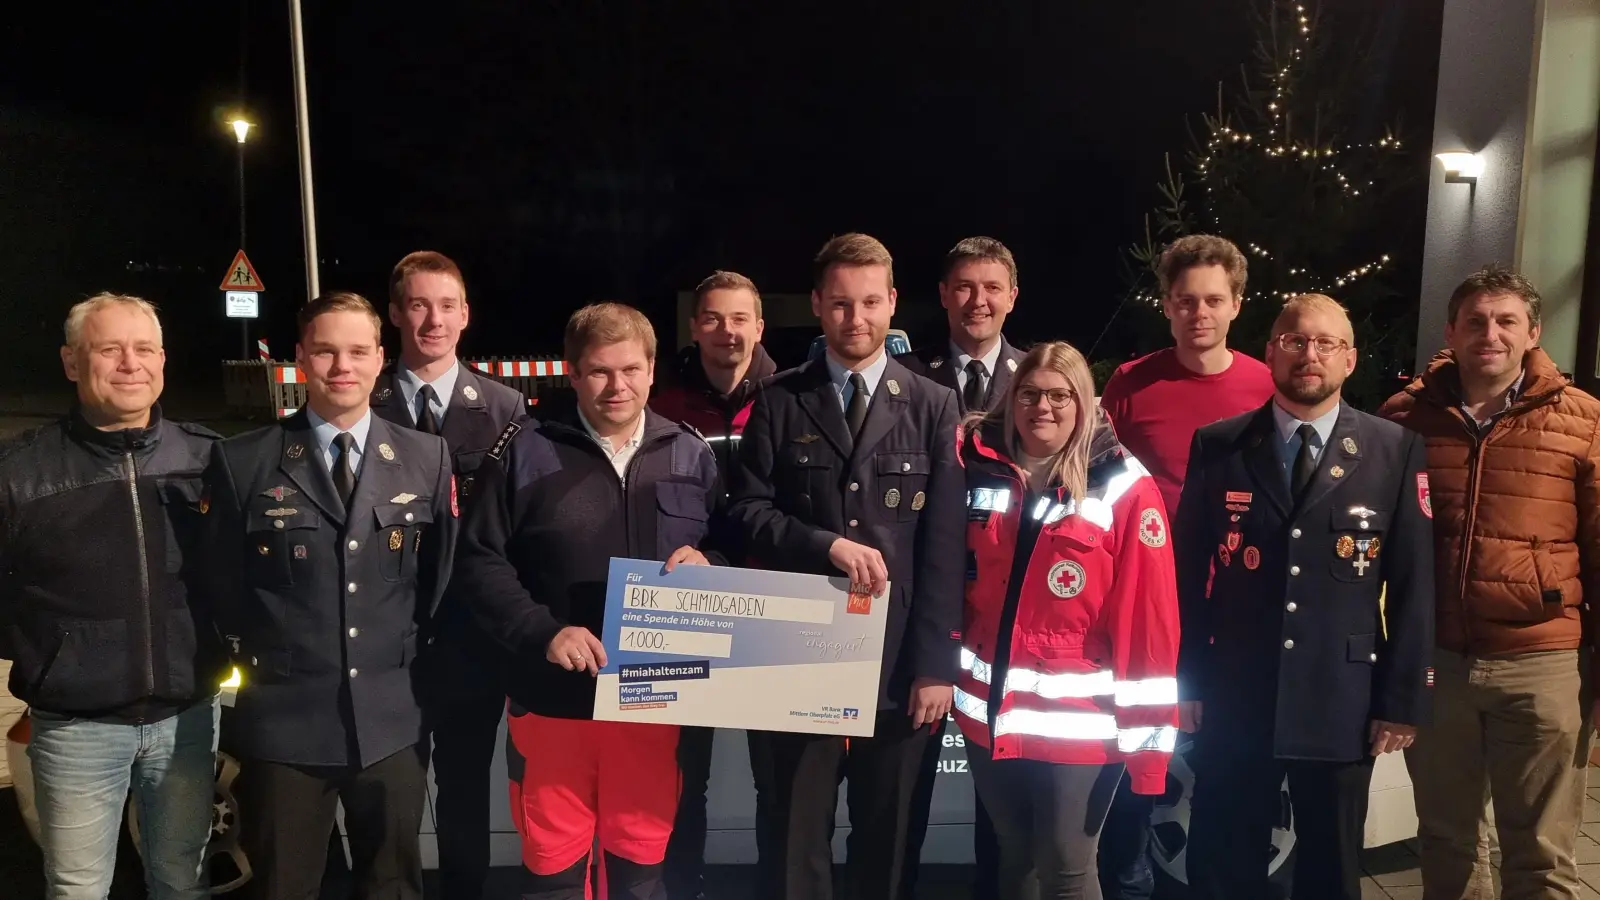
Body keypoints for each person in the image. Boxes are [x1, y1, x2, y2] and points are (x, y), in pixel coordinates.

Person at [451, 302, 723, 900]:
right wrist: (542, 631)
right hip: (552, 703)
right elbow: (477, 560)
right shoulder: (525, 451)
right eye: (599, 371)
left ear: (652, 369)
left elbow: (729, 547)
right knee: (553, 869)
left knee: (642, 871)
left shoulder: (690, 454)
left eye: (630, 369)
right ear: (571, 373)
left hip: (656, 706)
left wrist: (714, 565)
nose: (616, 386)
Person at [727, 233, 966, 900]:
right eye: (838, 304)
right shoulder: (778, 400)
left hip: (897, 661)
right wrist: (822, 545)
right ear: (816, 306)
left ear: (892, 303)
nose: (854, 319)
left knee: (888, 838)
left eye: (868, 303)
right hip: (796, 653)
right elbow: (744, 511)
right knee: (792, 834)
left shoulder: (932, 403)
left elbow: (944, 549)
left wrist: (934, 667)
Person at [1174, 293, 1434, 900]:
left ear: (1350, 358)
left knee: (1331, 867)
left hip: (1341, 699)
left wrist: (1402, 698)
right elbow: (1188, 577)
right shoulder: (1220, 445)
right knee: (1223, 860)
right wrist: (1188, 680)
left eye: (1325, 344)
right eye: (1294, 341)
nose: (1308, 355)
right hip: (1237, 691)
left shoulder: (1394, 450)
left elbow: (1415, 583)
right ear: (1270, 353)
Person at [201, 291, 458, 900]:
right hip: (286, 722)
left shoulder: (426, 456)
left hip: (392, 719)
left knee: (392, 886)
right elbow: (221, 588)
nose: (341, 366)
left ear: (379, 359)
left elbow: (439, 581)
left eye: (357, 351)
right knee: (284, 887)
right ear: (300, 358)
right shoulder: (244, 461)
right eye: (325, 351)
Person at [1379, 264, 1600, 899]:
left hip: (1544, 665)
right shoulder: (1404, 418)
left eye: (1506, 321)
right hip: (1438, 664)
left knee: (1542, 854)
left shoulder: (1581, 420)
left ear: (1534, 332)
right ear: (1451, 329)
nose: (1490, 333)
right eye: (1475, 320)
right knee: (1447, 845)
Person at [0, 293, 223, 900]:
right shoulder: (21, 473)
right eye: (110, 349)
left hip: (186, 715)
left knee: (181, 880)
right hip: (76, 726)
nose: (130, 363)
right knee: (77, 888)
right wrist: (50, 653)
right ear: (73, 363)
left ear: (163, 361)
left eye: (144, 349)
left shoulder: (207, 460)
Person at [953, 340, 1180, 900]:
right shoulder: (976, 466)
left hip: (1079, 726)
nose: (1043, 407)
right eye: (1030, 393)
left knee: (1067, 870)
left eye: (1060, 395)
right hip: (988, 715)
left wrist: (1149, 753)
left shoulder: (1123, 487)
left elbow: (1148, 626)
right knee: (1016, 858)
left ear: (1084, 404)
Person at [1095, 233, 1274, 899]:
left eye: (1212, 300)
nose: (1198, 312)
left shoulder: (1266, 385)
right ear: (1166, 306)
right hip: (1141, 604)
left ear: (1236, 305)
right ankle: (1128, 879)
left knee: (1227, 759)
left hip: (1234, 610)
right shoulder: (1131, 384)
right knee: (1133, 755)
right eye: (1184, 300)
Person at [370, 250, 526, 900]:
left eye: (446, 305)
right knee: (390, 804)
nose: (432, 320)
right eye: (418, 304)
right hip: (383, 644)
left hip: (471, 644)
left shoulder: (507, 408)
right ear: (396, 312)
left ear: (465, 314)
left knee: (465, 795)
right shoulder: (364, 401)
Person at [895, 235, 1026, 900]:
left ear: (1012, 296)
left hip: (1011, 620)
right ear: (944, 295)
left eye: (991, 287)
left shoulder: (1043, 386)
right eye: (964, 287)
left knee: (1001, 805)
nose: (978, 300)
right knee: (903, 802)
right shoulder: (908, 382)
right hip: (927, 615)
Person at [649, 270, 780, 900]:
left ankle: (775, 885)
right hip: (688, 609)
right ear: (694, 325)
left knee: (775, 776)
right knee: (684, 774)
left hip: (771, 610)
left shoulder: (791, 397)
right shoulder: (662, 402)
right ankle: (685, 887)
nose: (726, 332)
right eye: (712, 319)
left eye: (739, 319)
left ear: (760, 326)